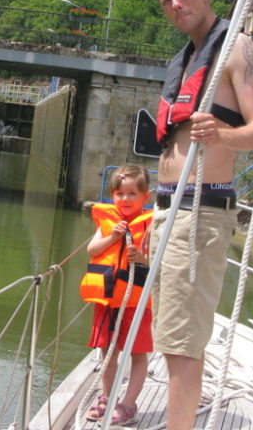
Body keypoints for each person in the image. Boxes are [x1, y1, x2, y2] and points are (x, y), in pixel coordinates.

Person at [149, 0, 253, 430]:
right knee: (170, 335)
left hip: (200, 213)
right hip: (167, 212)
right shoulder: (182, 60)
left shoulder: (239, 49)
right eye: (166, 0)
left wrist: (222, 134)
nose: (176, 4)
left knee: (181, 344)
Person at [79, 163, 154, 426]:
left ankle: (128, 403)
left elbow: (158, 261)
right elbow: (92, 249)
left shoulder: (150, 227)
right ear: (113, 196)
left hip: (136, 302)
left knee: (137, 353)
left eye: (132, 194)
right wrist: (112, 238)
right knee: (107, 352)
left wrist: (142, 257)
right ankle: (107, 396)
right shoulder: (108, 223)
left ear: (146, 197)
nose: (125, 199)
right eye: (120, 194)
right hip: (108, 300)